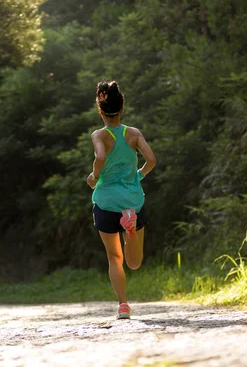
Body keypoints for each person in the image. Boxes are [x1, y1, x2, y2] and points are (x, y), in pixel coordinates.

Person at [86, 80, 157, 319]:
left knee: (114, 258)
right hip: (132, 201)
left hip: (106, 201)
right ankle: (131, 230)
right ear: (122, 108)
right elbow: (152, 160)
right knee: (134, 262)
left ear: (100, 110)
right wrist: (138, 176)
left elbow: (101, 155)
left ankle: (123, 305)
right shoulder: (134, 134)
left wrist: (95, 177)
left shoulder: (99, 134)